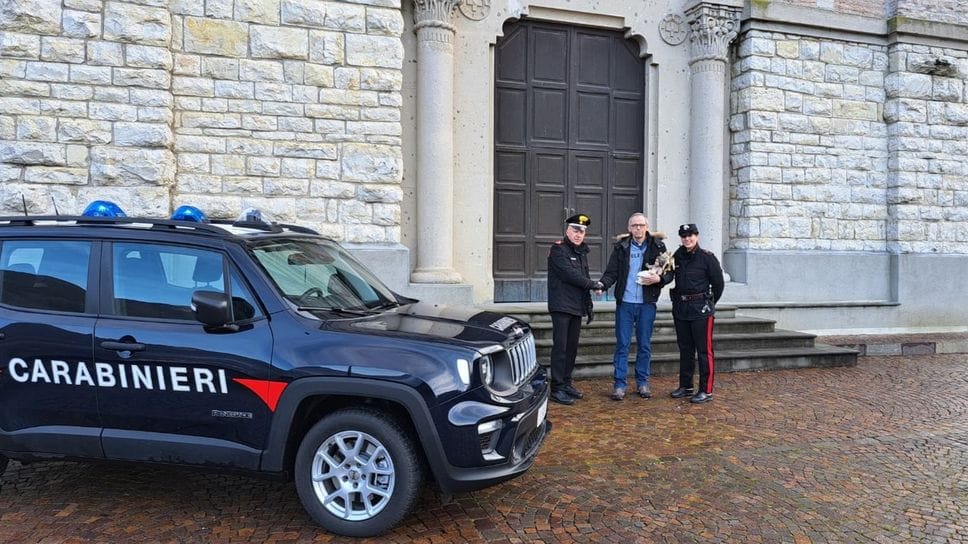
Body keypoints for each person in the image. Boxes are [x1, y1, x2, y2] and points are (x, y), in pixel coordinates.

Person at [597, 213, 672, 401]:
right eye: (634, 225)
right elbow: (611, 272)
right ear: (629, 228)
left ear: (646, 227)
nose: (638, 228)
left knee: (644, 345)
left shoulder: (658, 246)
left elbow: (670, 273)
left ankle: (643, 383)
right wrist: (602, 285)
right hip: (626, 304)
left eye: (641, 225)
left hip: (646, 304)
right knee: (622, 344)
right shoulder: (621, 247)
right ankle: (620, 385)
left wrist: (659, 279)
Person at [547, 213, 599, 405]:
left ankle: (566, 383)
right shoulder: (558, 250)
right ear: (567, 230)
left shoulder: (582, 252)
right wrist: (593, 284)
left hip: (576, 306)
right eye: (575, 230)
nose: (578, 234)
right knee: (560, 348)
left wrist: (589, 305)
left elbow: (582, 277)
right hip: (561, 306)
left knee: (571, 349)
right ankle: (557, 387)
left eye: (582, 231)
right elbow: (570, 275)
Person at [669, 223, 725, 404]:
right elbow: (668, 275)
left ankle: (705, 390)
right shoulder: (677, 256)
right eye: (684, 236)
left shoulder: (707, 258)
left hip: (701, 309)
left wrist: (709, 304)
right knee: (685, 349)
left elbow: (718, 284)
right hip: (681, 308)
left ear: (697, 236)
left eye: (690, 235)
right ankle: (686, 386)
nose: (687, 239)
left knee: (704, 351)